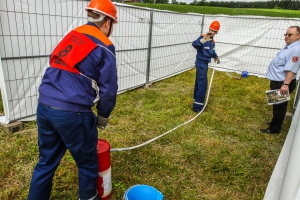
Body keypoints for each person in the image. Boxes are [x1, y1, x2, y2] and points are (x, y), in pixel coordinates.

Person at [27, 0, 118, 199]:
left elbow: (55, 62)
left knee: (46, 162)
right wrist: (103, 116)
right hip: (72, 113)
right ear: (108, 23)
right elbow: (109, 89)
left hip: (44, 106)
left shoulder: (71, 36)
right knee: (87, 163)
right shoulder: (105, 46)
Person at [260, 26, 300, 134]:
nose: (287, 37)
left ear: (298, 36)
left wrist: (285, 84)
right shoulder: (289, 46)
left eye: (290, 35)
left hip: (283, 82)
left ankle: (274, 128)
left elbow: (291, 69)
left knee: (280, 106)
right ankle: (275, 122)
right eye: (286, 34)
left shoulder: (296, 50)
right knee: (276, 103)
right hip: (278, 81)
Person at [192, 20, 221, 112]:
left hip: (205, 64)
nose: (212, 32)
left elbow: (211, 51)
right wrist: (204, 39)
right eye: (211, 30)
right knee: (203, 84)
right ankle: (197, 107)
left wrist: (215, 57)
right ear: (209, 29)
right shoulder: (203, 37)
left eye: (214, 31)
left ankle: (195, 100)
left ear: (217, 32)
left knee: (198, 82)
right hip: (200, 63)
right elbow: (195, 44)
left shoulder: (212, 42)